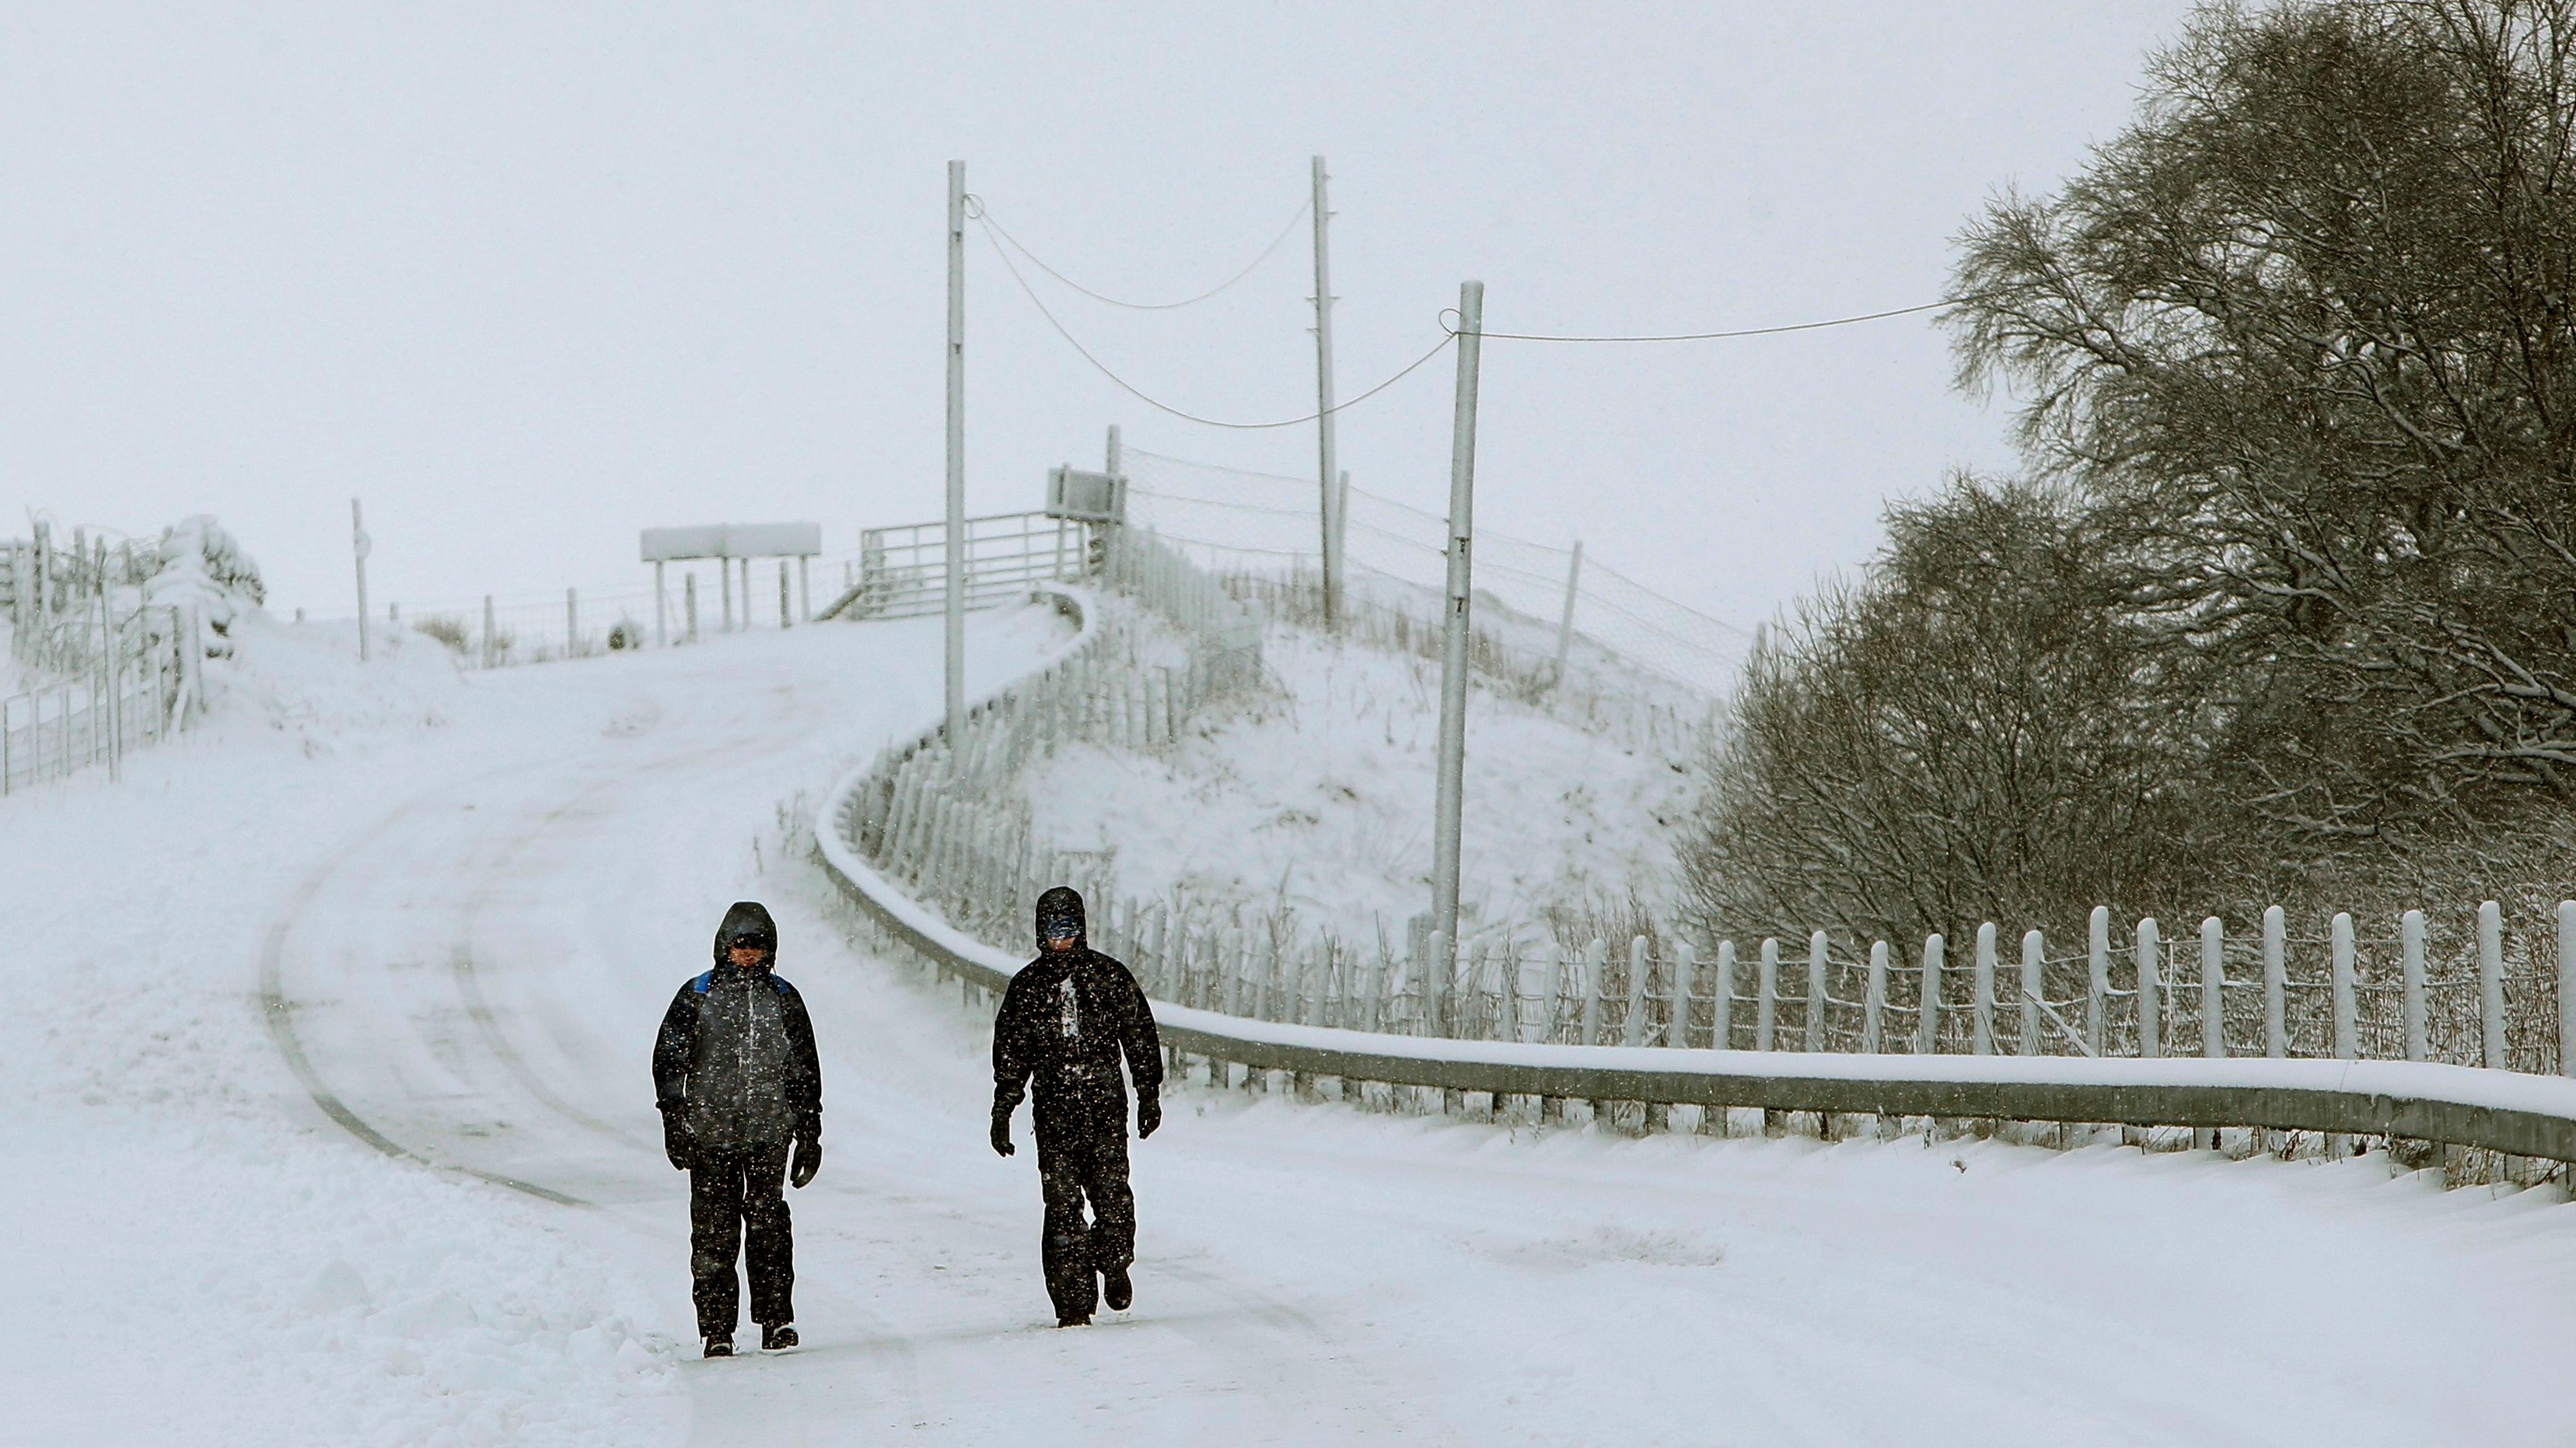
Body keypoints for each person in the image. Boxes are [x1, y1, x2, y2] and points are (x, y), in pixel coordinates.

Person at [653, 901, 823, 1359]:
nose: (748, 954)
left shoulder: (784, 997)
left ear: (771, 950)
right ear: (724, 947)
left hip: (770, 1131)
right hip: (710, 1133)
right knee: (713, 1232)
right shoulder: (697, 994)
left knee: (770, 1226)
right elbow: (669, 1061)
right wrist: (674, 1118)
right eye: (741, 945)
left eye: (757, 946)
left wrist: (810, 1129)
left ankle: (777, 1320)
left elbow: (804, 1069)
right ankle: (716, 1328)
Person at [991, 886, 1164, 1327]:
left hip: (1104, 1104)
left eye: (1068, 930)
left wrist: (1148, 1093)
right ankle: (1072, 1300)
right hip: (1053, 1109)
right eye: (1053, 931)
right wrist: (1004, 1108)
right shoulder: (1027, 988)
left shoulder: (1109, 977)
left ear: (1082, 930)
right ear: (1039, 934)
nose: (1060, 940)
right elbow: (1011, 1053)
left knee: (1111, 1195)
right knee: (1061, 1204)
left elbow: (1139, 1035)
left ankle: (1114, 1262)